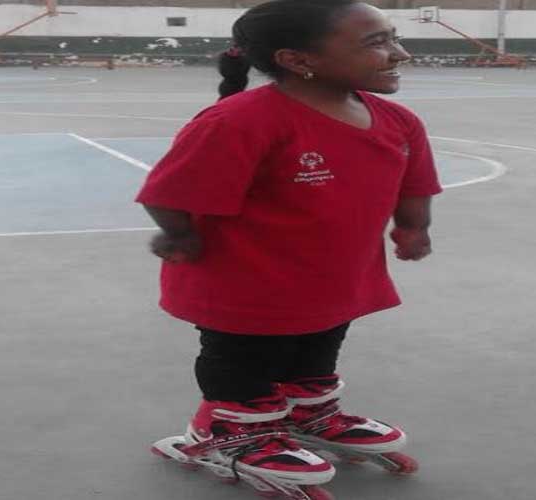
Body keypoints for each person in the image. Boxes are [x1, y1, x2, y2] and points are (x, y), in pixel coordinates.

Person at [137, 0, 441, 492]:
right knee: (244, 359)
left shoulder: (397, 121)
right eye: (376, 43)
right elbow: (169, 191)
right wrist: (178, 234)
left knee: (319, 346)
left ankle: (307, 411)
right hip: (246, 285)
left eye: (393, 37)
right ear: (298, 60)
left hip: (335, 278)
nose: (399, 53)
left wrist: (414, 227)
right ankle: (230, 430)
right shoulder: (242, 120)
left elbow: (415, 184)